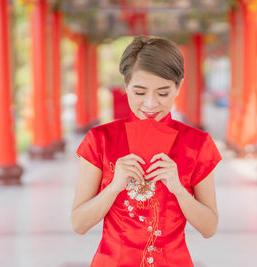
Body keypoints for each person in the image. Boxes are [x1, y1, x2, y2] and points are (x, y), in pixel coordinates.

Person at [71, 35, 222, 267]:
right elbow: (79, 224)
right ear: (126, 86)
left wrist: (179, 190)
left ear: (178, 87)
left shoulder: (197, 144)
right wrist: (114, 187)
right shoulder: (100, 140)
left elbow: (209, 228)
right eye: (140, 92)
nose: (150, 104)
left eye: (163, 93)